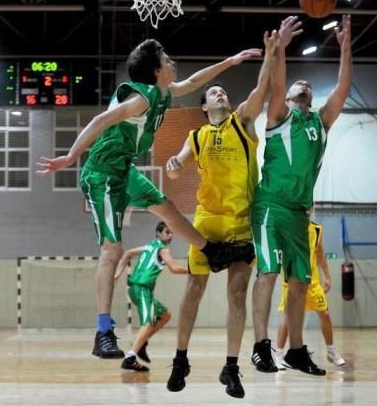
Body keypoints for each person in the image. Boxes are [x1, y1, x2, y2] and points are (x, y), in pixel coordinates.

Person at [37, 39, 261, 359]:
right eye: (168, 60)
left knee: (168, 210)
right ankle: (103, 333)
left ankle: (211, 251)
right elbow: (102, 121)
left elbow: (195, 82)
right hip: (101, 174)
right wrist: (71, 155)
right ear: (157, 70)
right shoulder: (142, 98)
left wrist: (231, 60)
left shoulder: (163, 92)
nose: (173, 64)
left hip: (124, 170)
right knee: (112, 249)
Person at [163, 21, 299, 398]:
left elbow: (260, 89)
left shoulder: (243, 122)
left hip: (242, 222)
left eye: (223, 90)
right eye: (214, 92)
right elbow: (179, 161)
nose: (220, 93)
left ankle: (231, 367)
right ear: (204, 106)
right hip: (207, 223)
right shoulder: (197, 135)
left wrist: (273, 53)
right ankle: (180, 360)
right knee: (193, 288)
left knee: (237, 294)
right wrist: (174, 165)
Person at [250, 14, 351, 376]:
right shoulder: (279, 115)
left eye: (308, 83)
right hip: (270, 207)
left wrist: (345, 46)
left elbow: (342, 88)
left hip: (298, 213)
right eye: (297, 84)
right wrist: (281, 50)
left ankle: (295, 351)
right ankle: (262, 346)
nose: (303, 83)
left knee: (300, 282)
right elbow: (276, 86)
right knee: (268, 273)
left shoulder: (320, 123)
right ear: (291, 97)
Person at [272, 209, 346, 370]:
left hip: (312, 283)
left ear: (312, 209)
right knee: (287, 317)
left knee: (325, 314)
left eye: (309, 206)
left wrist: (327, 276)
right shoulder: (287, 227)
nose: (306, 209)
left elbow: (320, 253)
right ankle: (278, 356)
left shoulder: (316, 229)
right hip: (292, 280)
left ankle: (331, 351)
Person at [114, 222, 187, 372]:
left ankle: (142, 343)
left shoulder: (148, 246)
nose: (171, 235)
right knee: (148, 324)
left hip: (137, 289)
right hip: (142, 289)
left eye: (172, 232)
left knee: (165, 315)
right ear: (159, 233)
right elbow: (174, 269)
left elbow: (127, 253)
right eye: (167, 232)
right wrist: (194, 270)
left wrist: (117, 274)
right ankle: (130, 358)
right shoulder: (163, 249)